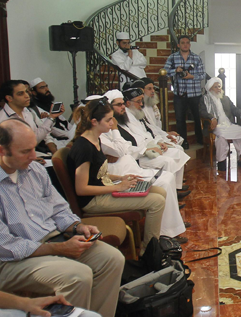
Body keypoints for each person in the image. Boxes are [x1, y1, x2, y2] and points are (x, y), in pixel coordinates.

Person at [0, 119, 126, 317]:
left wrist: (77, 226)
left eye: (34, 148)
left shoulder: (33, 169)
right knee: (77, 276)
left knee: (111, 259)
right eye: (25, 151)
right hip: (8, 261)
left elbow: (59, 209)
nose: (34, 156)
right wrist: (58, 249)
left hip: (52, 241)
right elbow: (4, 246)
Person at [69, 98, 169, 252]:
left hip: (104, 190)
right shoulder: (84, 147)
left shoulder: (95, 140)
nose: (112, 123)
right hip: (94, 201)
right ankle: (149, 250)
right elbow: (81, 189)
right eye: (109, 120)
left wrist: (120, 178)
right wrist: (119, 187)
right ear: (94, 122)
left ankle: (152, 243)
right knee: (156, 202)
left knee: (160, 192)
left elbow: (97, 174)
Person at [98, 91, 188, 242]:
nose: (123, 108)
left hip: (130, 165)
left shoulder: (122, 121)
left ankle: (170, 228)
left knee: (167, 175)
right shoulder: (104, 131)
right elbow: (120, 150)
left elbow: (128, 145)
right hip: (126, 169)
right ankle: (164, 234)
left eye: (122, 104)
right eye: (119, 105)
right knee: (165, 178)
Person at [114, 88, 191, 190]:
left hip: (147, 147)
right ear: (129, 103)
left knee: (178, 151)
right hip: (139, 155)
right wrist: (150, 147)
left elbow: (148, 132)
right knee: (169, 161)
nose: (141, 104)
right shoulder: (123, 119)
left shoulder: (133, 114)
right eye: (138, 101)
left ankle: (177, 186)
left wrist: (158, 142)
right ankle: (174, 189)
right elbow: (133, 142)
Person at [0, 80, 63, 154]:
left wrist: (52, 117)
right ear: (9, 98)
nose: (27, 96)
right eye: (20, 94)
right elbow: (1, 152)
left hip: (31, 154)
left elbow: (34, 138)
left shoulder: (28, 112)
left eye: (26, 91)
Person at [200, 77, 241, 171]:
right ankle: (221, 161)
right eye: (215, 87)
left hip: (228, 124)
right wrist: (212, 118)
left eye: (219, 86)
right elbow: (202, 112)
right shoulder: (205, 99)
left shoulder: (225, 98)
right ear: (210, 89)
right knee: (221, 136)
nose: (218, 89)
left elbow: (234, 108)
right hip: (215, 125)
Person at [163, 35, 205, 148]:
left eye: (187, 43)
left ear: (190, 45)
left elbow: (202, 75)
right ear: (178, 45)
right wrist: (175, 70)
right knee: (180, 119)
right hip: (179, 93)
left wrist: (191, 76)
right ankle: (183, 142)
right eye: (182, 43)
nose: (185, 45)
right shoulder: (172, 58)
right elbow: (164, 72)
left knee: (197, 117)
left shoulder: (196, 58)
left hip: (195, 93)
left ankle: (200, 139)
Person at [129, 77, 185, 146]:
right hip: (149, 139)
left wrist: (166, 133)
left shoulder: (152, 104)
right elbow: (148, 129)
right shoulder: (139, 108)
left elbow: (154, 126)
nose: (153, 91)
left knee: (177, 139)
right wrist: (164, 136)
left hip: (157, 135)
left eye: (153, 88)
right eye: (149, 89)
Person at [29, 77, 72, 143]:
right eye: (42, 88)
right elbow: (53, 130)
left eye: (46, 86)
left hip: (68, 135)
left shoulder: (49, 104)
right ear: (34, 92)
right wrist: (71, 135)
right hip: (58, 140)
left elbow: (64, 122)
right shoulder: (35, 109)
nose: (47, 89)